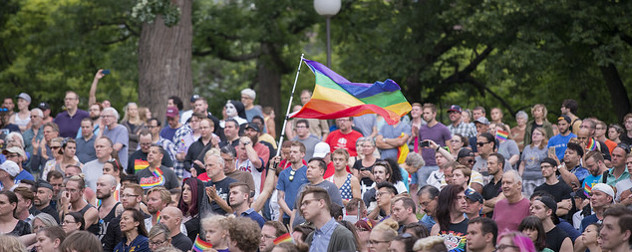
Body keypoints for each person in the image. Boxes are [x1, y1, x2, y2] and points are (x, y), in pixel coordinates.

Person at [299, 186, 357, 252]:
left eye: (307, 203)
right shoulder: (310, 237)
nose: (302, 208)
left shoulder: (343, 235)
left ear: (321, 203)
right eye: (302, 204)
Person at [291, 157, 343, 228]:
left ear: (321, 171)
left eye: (312, 167)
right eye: (308, 167)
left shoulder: (330, 187)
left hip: (317, 231)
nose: (309, 170)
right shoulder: (302, 187)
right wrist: (291, 229)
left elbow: (338, 212)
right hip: (297, 230)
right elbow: (295, 210)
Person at [418, 103, 452, 187]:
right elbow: (420, 149)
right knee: (423, 190)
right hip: (424, 166)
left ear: (434, 114)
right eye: (424, 113)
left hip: (438, 165)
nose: (425, 115)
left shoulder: (443, 129)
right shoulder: (421, 129)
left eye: (427, 113)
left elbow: (449, 148)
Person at [277, 141, 309, 225]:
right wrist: (291, 214)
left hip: (305, 215)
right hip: (287, 216)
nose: (291, 154)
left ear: (302, 154)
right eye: (290, 152)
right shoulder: (283, 173)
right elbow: (280, 198)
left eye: (295, 152)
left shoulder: (308, 172)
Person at [430, 184, 468, 251]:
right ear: (448, 200)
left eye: (464, 198)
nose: (464, 201)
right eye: (459, 198)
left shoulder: (471, 227)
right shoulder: (436, 228)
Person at [177, 177, 211, 241]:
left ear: (197, 191)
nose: (185, 192)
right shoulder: (179, 212)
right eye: (183, 189)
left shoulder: (204, 217)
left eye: (189, 189)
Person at [520, 127, 549, 196]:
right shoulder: (527, 148)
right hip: (527, 178)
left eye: (537, 134)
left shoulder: (546, 149)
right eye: (533, 134)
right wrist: (520, 176)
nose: (534, 135)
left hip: (540, 178)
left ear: (543, 137)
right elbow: (522, 164)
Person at [100, 107, 130, 171]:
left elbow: (116, 148)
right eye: (104, 116)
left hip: (119, 166)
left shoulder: (122, 129)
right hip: (105, 166)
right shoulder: (104, 130)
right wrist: (101, 129)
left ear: (115, 118)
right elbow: (96, 145)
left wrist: (102, 151)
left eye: (108, 116)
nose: (105, 118)